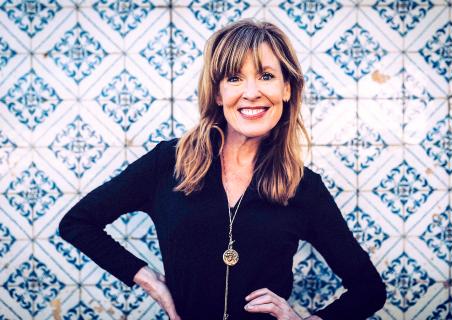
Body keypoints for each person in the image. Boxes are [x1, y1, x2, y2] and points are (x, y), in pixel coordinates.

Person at [58, 18, 387, 320]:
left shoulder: (303, 187)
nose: (251, 92)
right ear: (217, 92)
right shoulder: (167, 163)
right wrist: (149, 280)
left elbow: (369, 290)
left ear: (287, 88)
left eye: (267, 76)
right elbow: (77, 223)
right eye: (234, 78)